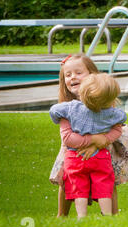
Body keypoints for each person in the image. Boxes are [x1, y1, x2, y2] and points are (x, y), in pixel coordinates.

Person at [52, 53, 122, 217]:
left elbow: (115, 127)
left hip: (103, 145)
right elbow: (67, 137)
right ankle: (62, 215)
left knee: (107, 179)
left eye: (78, 73)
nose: (72, 77)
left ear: (92, 75)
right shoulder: (67, 108)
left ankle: (113, 214)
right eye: (67, 75)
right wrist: (91, 140)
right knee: (66, 176)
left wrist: (99, 142)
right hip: (73, 148)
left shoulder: (103, 99)